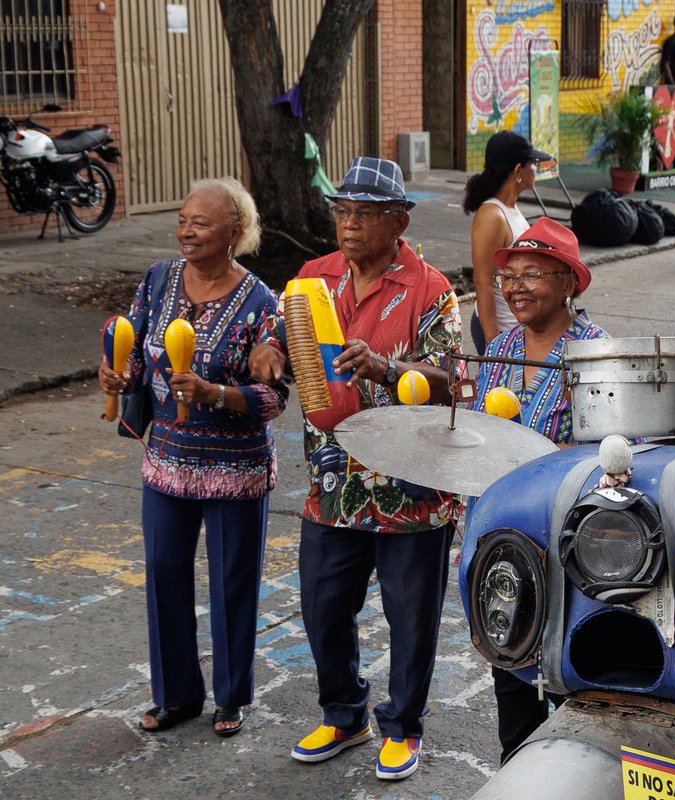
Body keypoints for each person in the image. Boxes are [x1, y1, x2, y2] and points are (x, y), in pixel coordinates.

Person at [249, 157, 462, 781]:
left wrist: (391, 370)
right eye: (343, 211)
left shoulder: (430, 288)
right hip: (334, 477)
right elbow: (281, 333)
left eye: (364, 215)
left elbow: (453, 384)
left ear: (399, 221)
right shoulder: (312, 277)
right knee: (321, 603)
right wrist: (269, 347)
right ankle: (345, 715)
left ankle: (403, 726)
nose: (349, 224)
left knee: (409, 614)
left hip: (410, 482)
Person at [97, 178, 286, 738]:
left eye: (200, 223)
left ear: (236, 232)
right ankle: (176, 695)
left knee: (231, 583)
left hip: (235, 468)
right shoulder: (157, 281)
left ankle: (230, 698)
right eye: (182, 220)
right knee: (164, 574)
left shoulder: (262, 305)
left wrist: (216, 394)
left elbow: (274, 398)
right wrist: (114, 373)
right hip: (168, 461)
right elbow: (135, 358)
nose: (186, 230)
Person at [470, 218, 607, 761]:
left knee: (576, 682)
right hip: (506, 544)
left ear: (569, 282)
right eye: (510, 276)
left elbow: (623, 449)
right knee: (514, 677)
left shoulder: (596, 351)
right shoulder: (500, 346)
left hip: (573, 549)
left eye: (533, 274)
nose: (516, 287)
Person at [463, 131, 551, 353]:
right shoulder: (492, 215)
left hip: (518, 326)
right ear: (518, 170)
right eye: (533, 164)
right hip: (500, 328)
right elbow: (483, 283)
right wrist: (494, 344)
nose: (536, 170)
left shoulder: (511, 209)